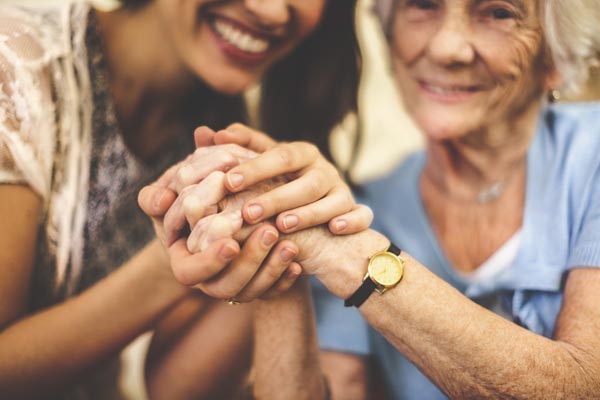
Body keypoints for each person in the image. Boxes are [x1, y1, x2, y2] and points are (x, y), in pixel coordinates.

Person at [145, 0, 600, 397]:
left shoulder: (348, 230)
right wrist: (272, 231)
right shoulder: (357, 207)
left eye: (499, 12)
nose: (446, 47)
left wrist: (341, 251)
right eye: (423, 4)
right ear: (388, 34)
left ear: (555, 55)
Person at [0, 0, 373, 398]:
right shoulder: (15, 70)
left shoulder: (232, 136)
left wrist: (279, 240)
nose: (271, 11)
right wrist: (169, 264)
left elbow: (177, 389)